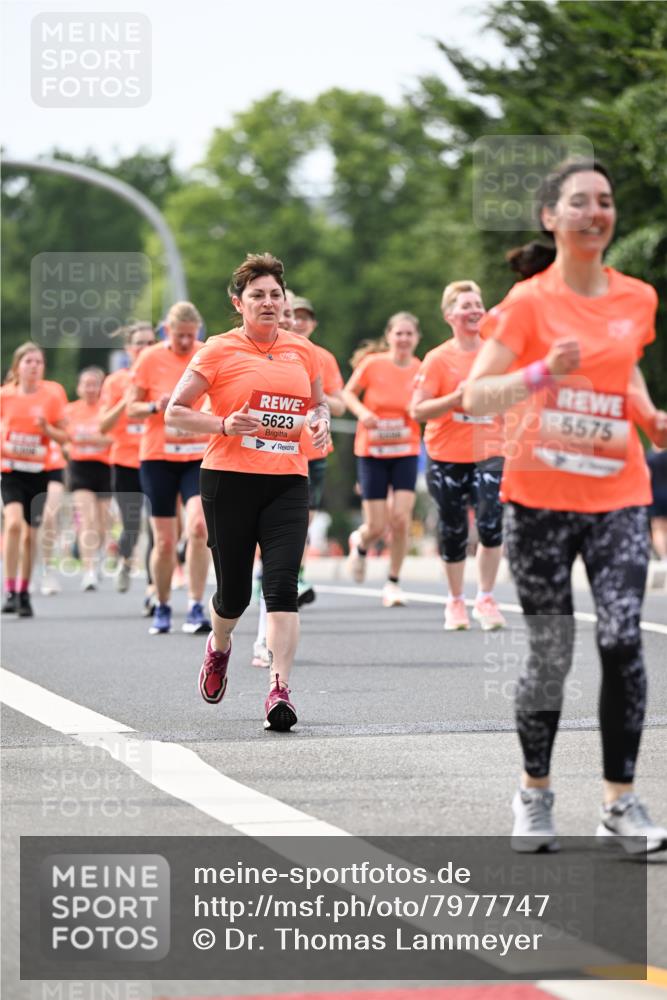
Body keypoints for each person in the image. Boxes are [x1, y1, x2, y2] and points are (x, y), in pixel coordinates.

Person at [463, 158, 667, 854]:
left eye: (604, 201)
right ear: (550, 218)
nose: (594, 212)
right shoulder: (525, 302)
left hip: (617, 492)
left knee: (619, 640)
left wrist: (644, 413)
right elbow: (475, 395)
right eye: (578, 202)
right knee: (550, 653)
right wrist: (540, 372)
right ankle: (534, 793)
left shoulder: (636, 298)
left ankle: (619, 802)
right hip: (539, 498)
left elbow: (623, 362)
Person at [165, 252, 329, 731]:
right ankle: (219, 647)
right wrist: (223, 423)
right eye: (257, 295)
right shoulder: (217, 349)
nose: (268, 302)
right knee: (233, 595)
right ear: (239, 303)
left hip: (287, 481)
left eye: (275, 295)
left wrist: (319, 423)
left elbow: (318, 404)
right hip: (229, 480)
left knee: (281, 587)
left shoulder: (303, 350)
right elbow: (176, 410)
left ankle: (279, 690)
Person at [410, 281, 506, 631]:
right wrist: (455, 399)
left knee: (491, 521)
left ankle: (486, 597)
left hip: (490, 451)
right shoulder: (438, 359)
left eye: (478, 304)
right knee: (452, 529)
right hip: (446, 454)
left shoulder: (497, 354)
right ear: (450, 314)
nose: (474, 311)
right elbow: (417, 410)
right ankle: (455, 601)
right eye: (466, 305)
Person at [127, 302, 211, 635]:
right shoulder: (149, 359)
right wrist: (152, 406)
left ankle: (195, 605)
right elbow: (131, 409)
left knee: (199, 528)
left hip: (197, 455)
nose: (187, 343)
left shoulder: (206, 354)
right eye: (180, 337)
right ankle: (162, 604)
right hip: (158, 458)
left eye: (192, 336)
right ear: (166, 332)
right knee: (164, 542)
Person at [342, 313, 422, 607]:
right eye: (398, 333)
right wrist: (364, 414)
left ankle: (393, 581)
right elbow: (347, 394)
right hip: (372, 452)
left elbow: (427, 400)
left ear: (417, 338)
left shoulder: (420, 369)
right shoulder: (373, 365)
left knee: (401, 519)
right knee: (376, 526)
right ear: (389, 336)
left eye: (408, 334)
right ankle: (360, 543)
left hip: (406, 450)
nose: (403, 339)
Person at [1, 342, 67, 616]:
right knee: (14, 524)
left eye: (39, 362)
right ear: (18, 366)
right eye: (28, 361)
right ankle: (10, 588)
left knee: (30, 535)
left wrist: (46, 429)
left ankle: (24, 591)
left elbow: (65, 437)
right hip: (11, 471)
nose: (34, 366)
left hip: (38, 473)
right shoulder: (4, 396)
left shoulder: (53, 394)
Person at [291, 295, 345, 606]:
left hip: (314, 452)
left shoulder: (323, 357)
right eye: (293, 316)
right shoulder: (276, 353)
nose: (299, 322)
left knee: (303, 521)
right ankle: (266, 573)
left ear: (313, 324)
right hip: (281, 449)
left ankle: (295, 575)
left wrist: (317, 394)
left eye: (305, 317)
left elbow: (337, 403)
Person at [99, 322, 156, 595]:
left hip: (157, 458)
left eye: (150, 342)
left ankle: (153, 590)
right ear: (128, 349)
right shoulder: (115, 381)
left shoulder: (162, 376)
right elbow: (103, 426)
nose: (145, 348)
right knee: (132, 526)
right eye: (140, 343)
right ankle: (124, 560)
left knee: (158, 526)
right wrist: (127, 401)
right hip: (125, 462)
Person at [63, 367, 113, 591]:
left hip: (104, 467)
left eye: (95, 384)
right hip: (80, 467)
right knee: (87, 518)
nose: (91, 389)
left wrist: (91, 439)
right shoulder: (70, 411)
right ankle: (89, 570)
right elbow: (65, 438)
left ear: (101, 388)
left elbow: (112, 438)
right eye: (86, 384)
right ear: (79, 387)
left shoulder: (107, 410)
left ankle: (99, 555)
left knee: (102, 522)